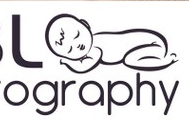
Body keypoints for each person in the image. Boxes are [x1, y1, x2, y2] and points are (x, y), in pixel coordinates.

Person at [45, 14, 178, 72]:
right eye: (70, 50)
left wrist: (68, 62)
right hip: (151, 40)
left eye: (77, 35)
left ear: (85, 24)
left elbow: (84, 66)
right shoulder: (97, 39)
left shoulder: (95, 49)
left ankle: (164, 61)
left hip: (152, 44)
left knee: (130, 60)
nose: (77, 45)